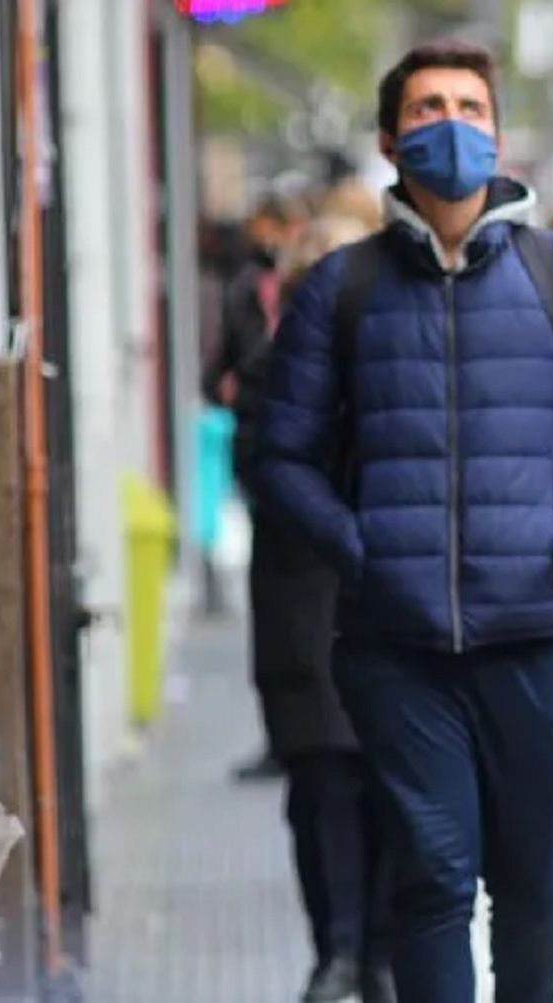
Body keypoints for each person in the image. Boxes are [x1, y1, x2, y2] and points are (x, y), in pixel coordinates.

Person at [255, 40, 553, 1003]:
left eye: (470, 108)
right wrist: (361, 549)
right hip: (394, 649)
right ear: (391, 139)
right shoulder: (341, 290)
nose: (451, 125)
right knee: (433, 879)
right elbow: (280, 459)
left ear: (498, 131)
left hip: (540, 640)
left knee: (538, 885)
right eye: (429, 107)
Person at [234, 205, 396, 1003]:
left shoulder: (406, 370)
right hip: (301, 605)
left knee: (392, 785)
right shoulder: (270, 373)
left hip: (387, 601)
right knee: (324, 787)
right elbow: (258, 473)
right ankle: (337, 950)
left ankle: (384, 953)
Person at [204, 191, 308, 782]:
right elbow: (223, 364)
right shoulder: (249, 288)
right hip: (266, 468)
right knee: (279, 619)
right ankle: (285, 737)